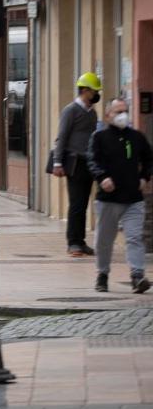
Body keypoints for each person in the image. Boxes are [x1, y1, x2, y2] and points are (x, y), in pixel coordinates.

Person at [88, 98, 153, 293]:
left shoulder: (137, 137)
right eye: (118, 112)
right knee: (104, 240)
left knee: (134, 237)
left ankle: (137, 275)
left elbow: (149, 159)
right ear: (108, 115)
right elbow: (92, 161)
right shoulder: (99, 137)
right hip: (108, 199)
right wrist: (102, 178)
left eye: (125, 111)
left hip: (134, 199)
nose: (122, 115)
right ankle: (102, 274)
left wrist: (144, 177)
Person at [52, 72, 103, 257]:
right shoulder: (71, 110)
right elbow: (62, 137)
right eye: (94, 91)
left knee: (83, 203)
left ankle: (81, 242)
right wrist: (58, 163)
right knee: (76, 203)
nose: (97, 94)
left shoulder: (92, 112)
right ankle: (73, 243)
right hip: (74, 163)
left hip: (89, 162)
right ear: (85, 90)